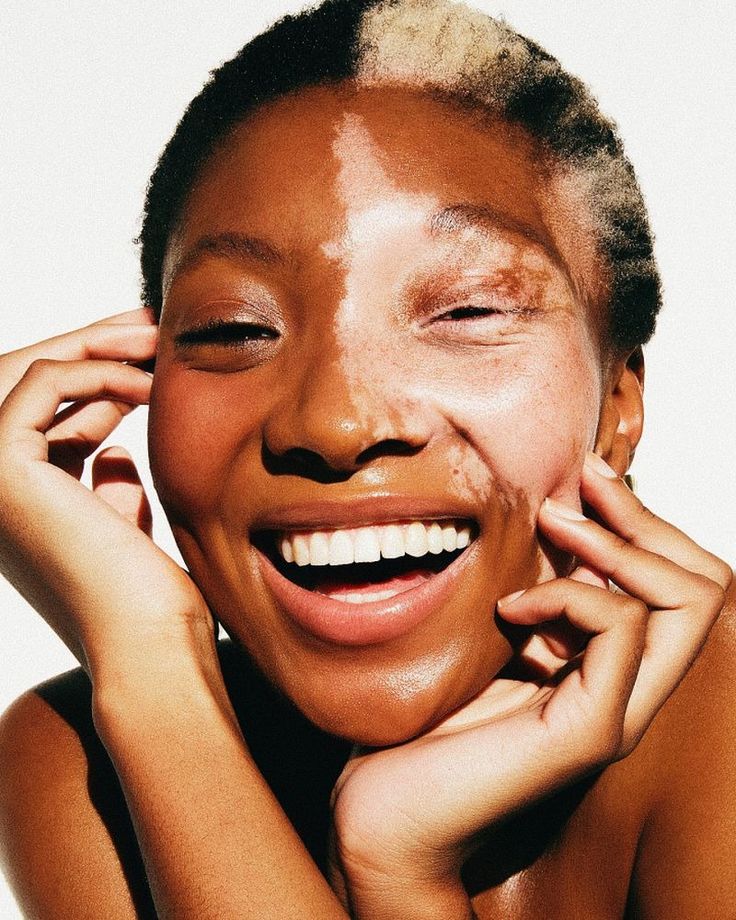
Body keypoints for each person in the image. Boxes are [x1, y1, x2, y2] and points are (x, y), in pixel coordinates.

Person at [0, 0, 733, 916]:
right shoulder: (81, 757)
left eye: (466, 312)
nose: (336, 422)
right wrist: (152, 666)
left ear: (618, 408)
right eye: (234, 328)